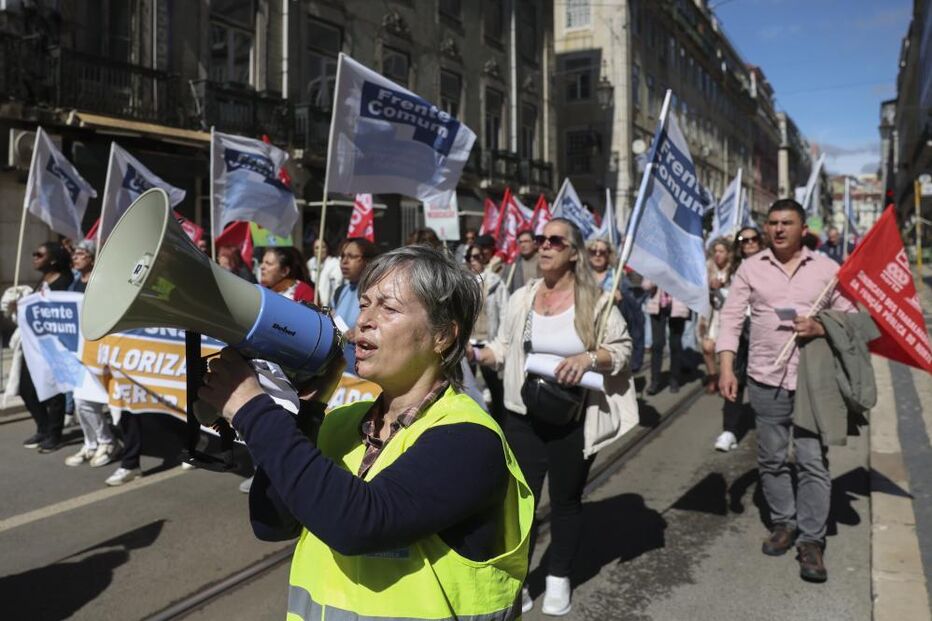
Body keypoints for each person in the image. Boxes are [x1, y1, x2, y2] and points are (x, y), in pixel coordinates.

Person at [198, 245, 533, 620]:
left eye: (388, 308)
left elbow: (359, 523)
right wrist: (307, 411)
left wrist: (252, 409)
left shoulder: (469, 439)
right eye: (363, 306)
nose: (363, 324)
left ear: (443, 336)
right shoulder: (343, 422)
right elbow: (271, 522)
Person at [473, 218, 637, 616]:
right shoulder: (522, 298)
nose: (544, 246)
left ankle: (559, 574)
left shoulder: (595, 300)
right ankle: (520, 579)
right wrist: (476, 354)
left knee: (565, 500)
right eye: (541, 240)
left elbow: (623, 350)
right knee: (519, 505)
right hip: (522, 416)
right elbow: (502, 346)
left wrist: (587, 358)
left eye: (555, 241)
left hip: (573, 418)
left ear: (573, 252)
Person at [718, 199, 855, 583]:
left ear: (802, 229)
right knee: (773, 458)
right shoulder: (750, 267)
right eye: (773, 223)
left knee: (812, 460)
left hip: (814, 382)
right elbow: (730, 319)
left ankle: (811, 540)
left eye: (787, 223)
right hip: (765, 378)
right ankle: (784, 523)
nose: (778, 229)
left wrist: (822, 327)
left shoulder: (827, 269)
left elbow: (855, 316)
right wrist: (728, 367)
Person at [65, 240, 122, 468]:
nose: (76, 257)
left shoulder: (103, 283)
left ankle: (109, 442)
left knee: (93, 401)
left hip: (99, 348)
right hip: (78, 348)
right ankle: (91, 443)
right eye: (75, 253)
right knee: (81, 401)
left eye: (81, 254)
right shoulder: (75, 282)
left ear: (91, 257)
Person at [20, 242, 73, 452]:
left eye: (39, 254)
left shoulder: (65, 282)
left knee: (54, 392)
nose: (34, 257)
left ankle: (54, 434)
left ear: (52, 260)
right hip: (35, 346)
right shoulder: (42, 281)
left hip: (55, 346)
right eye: (34, 253)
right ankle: (42, 427)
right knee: (26, 389)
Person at [713, 226, 763, 452]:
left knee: (763, 382)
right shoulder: (733, 270)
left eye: (754, 239)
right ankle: (730, 430)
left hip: (763, 330)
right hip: (738, 329)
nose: (749, 243)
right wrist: (717, 291)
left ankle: (768, 429)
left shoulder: (771, 267)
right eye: (744, 240)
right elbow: (723, 304)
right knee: (734, 378)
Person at [466, 243, 507, 422]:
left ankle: (499, 422)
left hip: (489, 341)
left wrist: (502, 337)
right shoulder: (463, 283)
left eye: (478, 257)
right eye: (471, 257)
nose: (475, 261)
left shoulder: (495, 282)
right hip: (469, 342)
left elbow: (505, 310)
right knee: (469, 388)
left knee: (495, 387)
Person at [698, 238, 733, 394]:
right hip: (710, 314)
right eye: (716, 251)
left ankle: (725, 376)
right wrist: (708, 287)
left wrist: (724, 286)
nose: (718, 255)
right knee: (707, 347)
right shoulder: (707, 268)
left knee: (724, 348)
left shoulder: (734, 269)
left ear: (728, 253)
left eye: (721, 251)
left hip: (728, 314)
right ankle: (712, 375)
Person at [643, 283, 689, 395]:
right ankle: (655, 381)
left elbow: (690, 287)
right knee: (657, 344)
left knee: (675, 344)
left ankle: (674, 379)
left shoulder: (684, 267)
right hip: (657, 306)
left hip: (678, 306)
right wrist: (655, 279)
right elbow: (645, 285)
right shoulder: (657, 265)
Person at [305, 239, 343, 306]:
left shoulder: (335, 264)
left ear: (327, 248)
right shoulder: (310, 263)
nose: (320, 250)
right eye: (317, 248)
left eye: (323, 247)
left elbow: (337, 285)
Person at [507, 229, 541, 294]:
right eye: (520, 242)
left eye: (526, 241)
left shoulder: (543, 261)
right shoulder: (513, 265)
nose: (523, 245)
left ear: (534, 243)